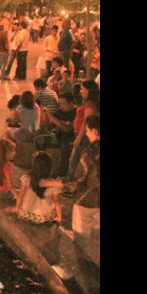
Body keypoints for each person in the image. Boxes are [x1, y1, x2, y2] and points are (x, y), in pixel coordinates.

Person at [64, 114, 100, 266]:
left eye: (87, 130)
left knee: (82, 242)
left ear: (95, 131)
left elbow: (79, 178)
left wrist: (61, 186)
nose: (86, 133)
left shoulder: (89, 153)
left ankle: (85, 275)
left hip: (86, 201)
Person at [8, 152, 63, 224]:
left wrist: (17, 208)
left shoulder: (26, 178)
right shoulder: (54, 184)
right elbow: (57, 202)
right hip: (43, 218)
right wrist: (59, 217)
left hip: (25, 214)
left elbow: (20, 197)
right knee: (59, 205)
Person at [68, 80, 99, 180]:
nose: (81, 91)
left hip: (84, 136)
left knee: (76, 158)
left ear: (89, 90)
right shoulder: (88, 103)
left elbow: (86, 123)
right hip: (81, 135)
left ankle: (72, 179)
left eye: (83, 89)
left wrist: (79, 138)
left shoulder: (90, 105)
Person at [43, 92, 76, 177]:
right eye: (59, 103)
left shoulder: (76, 113)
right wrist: (46, 116)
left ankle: (62, 177)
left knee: (64, 150)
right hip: (58, 138)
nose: (61, 106)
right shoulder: (60, 111)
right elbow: (48, 126)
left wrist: (52, 118)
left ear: (71, 103)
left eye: (63, 103)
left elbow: (67, 129)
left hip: (70, 140)